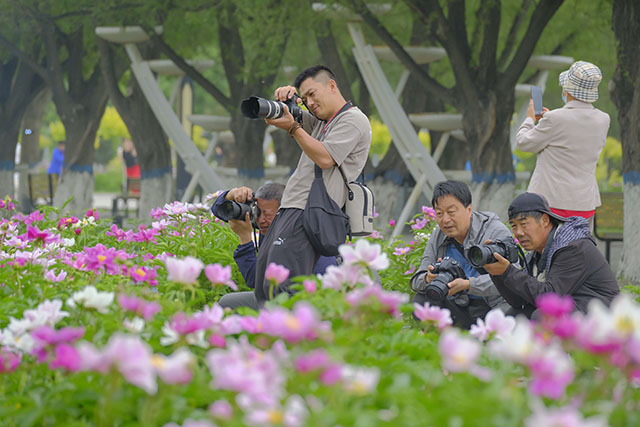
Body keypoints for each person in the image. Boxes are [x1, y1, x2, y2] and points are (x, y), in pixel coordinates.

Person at [253, 65, 371, 306]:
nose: (309, 102)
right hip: (290, 208)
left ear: (331, 85)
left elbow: (326, 158)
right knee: (266, 284)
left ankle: (290, 339)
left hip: (308, 211)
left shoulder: (353, 119)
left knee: (284, 289)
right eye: (304, 98)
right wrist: (284, 103)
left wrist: (294, 128)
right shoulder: (321, 121)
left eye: (312, 93)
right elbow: (283, 119)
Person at [483, 192, 620, 319]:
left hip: (603, 314)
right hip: (576, 307)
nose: (518, 232)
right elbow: (518, 301)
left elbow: (549, 297)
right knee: (516, 315)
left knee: (544, 316)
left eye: (524, 224)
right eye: (513, 226)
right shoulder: (536, 254)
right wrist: (498, 273)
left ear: (544, 220)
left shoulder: (572, 247)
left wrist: (508, 271)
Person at [212, 182, 337, 310]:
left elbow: (256, 281)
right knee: (228, 302)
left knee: (232, 303)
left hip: (305, 302)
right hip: (278, 294)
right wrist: (232, 194)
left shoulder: (297, 233)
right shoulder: (271, 223)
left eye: (266, 214)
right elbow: (219, 210)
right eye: (257, 212)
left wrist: (245, 238)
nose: (260, 220)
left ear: (284, 211)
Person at [515, 61, 609, 226]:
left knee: (551, 251)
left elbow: (523, 142)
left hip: (552, 204)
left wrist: (530, 119)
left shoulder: (555, 119)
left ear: (568, 89)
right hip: (585, 204)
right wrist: (551, 121)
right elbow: (575, 136)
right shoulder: (603, 119)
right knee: (578, 250)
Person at [410, 181, 512, 329]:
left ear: (469, 210)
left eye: (451, 212)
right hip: (458, 307)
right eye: (439, 214)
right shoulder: (439, 235)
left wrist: (468, 285)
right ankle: (446, 343)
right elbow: (417, 280)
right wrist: (428, 278)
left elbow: (511, 280)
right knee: (421, 301)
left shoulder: (495, 231)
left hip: (491, 308)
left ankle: (481, 341)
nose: (445, 220)